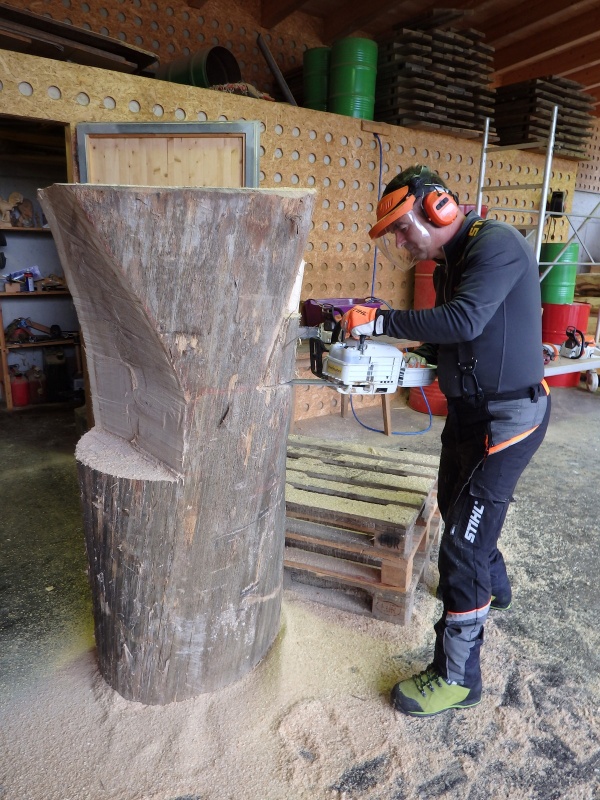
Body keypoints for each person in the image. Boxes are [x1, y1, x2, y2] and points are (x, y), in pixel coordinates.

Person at [341, 165, 551, 717]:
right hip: (471, 413)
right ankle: (492, 589)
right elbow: (459, 339)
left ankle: (457, 677)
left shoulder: (496, 245)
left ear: (438, 208)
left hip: (507, 418)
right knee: (458, 510)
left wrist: (381, 323)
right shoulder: (453, 261)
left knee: (461, 545)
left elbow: (463, 321)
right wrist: (406, 355)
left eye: (403, 228)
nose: (401, 242)